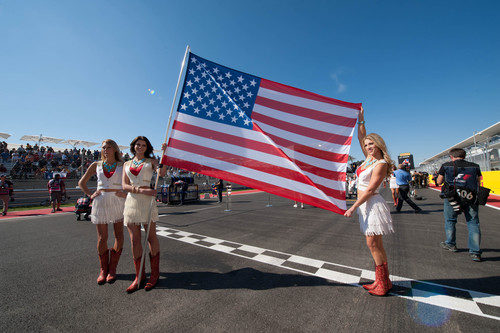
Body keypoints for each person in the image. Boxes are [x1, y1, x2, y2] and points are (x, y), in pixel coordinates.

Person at [344, 106, 394, 296]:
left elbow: (371, 189)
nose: (368, 147)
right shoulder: (368, 159)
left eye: (371, 144)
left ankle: (382, 282)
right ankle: (383, 281)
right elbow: (360, 136)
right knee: (375, 245)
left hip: (371, 204)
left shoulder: (381, 163)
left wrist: (353, 206)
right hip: (365, 206)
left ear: (379, 145)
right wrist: (361, 119)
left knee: (373, 244)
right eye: (366, 145)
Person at [79, 139, 127, 284]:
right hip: (100, 201)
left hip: (118, 201)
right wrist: (90, 195)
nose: (106, 150)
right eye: (104, 147)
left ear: (115, 149)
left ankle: (113, 269)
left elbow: (132, 183)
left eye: (109, 147)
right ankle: (103, 270)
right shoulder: (96, 165)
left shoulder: (123, 165)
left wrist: (125, 194)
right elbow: (82, 182)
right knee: (102, 238)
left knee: (118, 235)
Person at [122, 136, 167, 292]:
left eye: (143, 145)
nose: (140, 147)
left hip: (148, 203)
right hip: (132, 201)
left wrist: (164, 155)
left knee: (150, 237)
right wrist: (141, 190)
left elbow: (162, 173)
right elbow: (124, 185)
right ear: (133, 146)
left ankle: (154, 274)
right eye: (137, 144)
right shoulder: (126, 164)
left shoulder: (152, 161)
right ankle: (139, 276)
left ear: (147, 147)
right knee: (135, 240)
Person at [437, 148, 482, 262]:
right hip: (470, 197)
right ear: (464, 155)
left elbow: (439, 181)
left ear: (451, 157)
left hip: (452, 197)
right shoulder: (475, 166)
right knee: (473, 222)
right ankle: (475, 252)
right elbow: (479, 180)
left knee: (450, 220)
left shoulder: (446, 165)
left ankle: (451, 244)